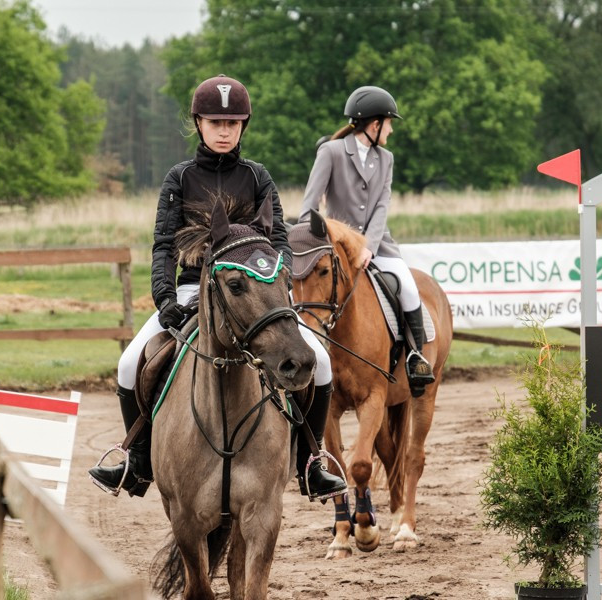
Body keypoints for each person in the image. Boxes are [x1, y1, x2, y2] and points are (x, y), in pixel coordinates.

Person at [89, 74, 346, 501]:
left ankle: (309, 463)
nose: (223, 131)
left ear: (243, 126)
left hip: (253, 296)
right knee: (131, 362)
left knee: (319, 360)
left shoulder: (258, 177)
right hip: (193, 292)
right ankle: (137, 461)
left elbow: (279, 243)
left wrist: (276, 291)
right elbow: (165, 246)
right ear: (199, 124)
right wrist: (165, 298)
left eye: (232, 123)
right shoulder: (180, 178)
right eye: (214, 123)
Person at [299, 85, 435, 390]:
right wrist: (321, 242)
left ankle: (415, 358)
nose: (390, 130)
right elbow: (309, 207)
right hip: (336, 244)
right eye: (389, 123)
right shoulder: (331, 152)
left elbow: (382, 206)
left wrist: (368, 247)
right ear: (375, 125)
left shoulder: (385, 158)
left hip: (378, 244)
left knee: (409, 290)